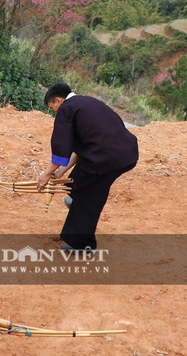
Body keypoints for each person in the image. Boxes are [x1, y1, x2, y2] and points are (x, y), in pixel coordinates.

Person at [37, 82, 139, 250]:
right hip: (125, 153)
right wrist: (61, 171)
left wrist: (46, 174)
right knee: (81, 179)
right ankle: (75, 197)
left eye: (52, 107)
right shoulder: (86, 102)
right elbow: (82, 148)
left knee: (88, 197)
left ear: (58, 100)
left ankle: (82, 244)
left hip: (106, 157)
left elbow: (61, 147)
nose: (54, 111)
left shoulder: (66, 109)